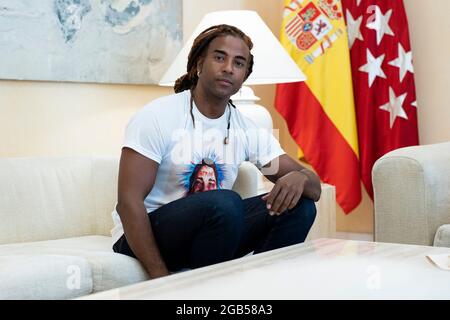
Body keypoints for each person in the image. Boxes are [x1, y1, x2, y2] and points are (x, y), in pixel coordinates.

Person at [111, 24, 322, 279]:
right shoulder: (157, 116)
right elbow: (128, 203)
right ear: (199, 64)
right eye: (219, 57)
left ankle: (260, 287)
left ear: (244, 76)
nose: (228, 68)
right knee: (226, 202)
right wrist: (160, 279)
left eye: (239, 63)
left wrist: (300, 177)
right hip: (149, 236)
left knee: (300, 206)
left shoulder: (246, 129)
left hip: (209, 235)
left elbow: (314, 189)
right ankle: (205, 291)